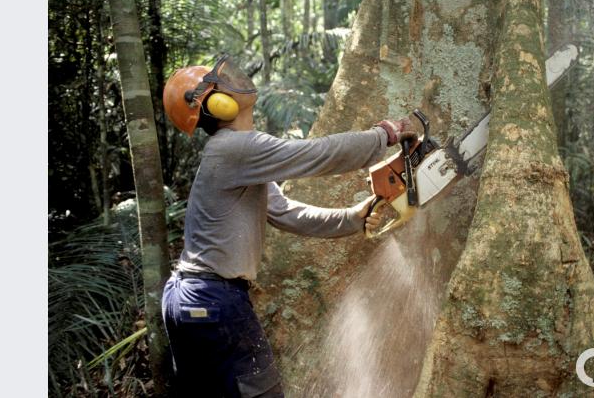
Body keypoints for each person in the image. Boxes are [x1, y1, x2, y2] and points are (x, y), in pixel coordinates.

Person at [160, 54, 415, 397]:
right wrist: (383, 135)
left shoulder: (238, 158)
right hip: (214, 299)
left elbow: (288, 213)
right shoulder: (234, 147)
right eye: (219, 84)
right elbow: (315, 154)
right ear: (217, 104)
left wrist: (352, 218)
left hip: (186, 299)